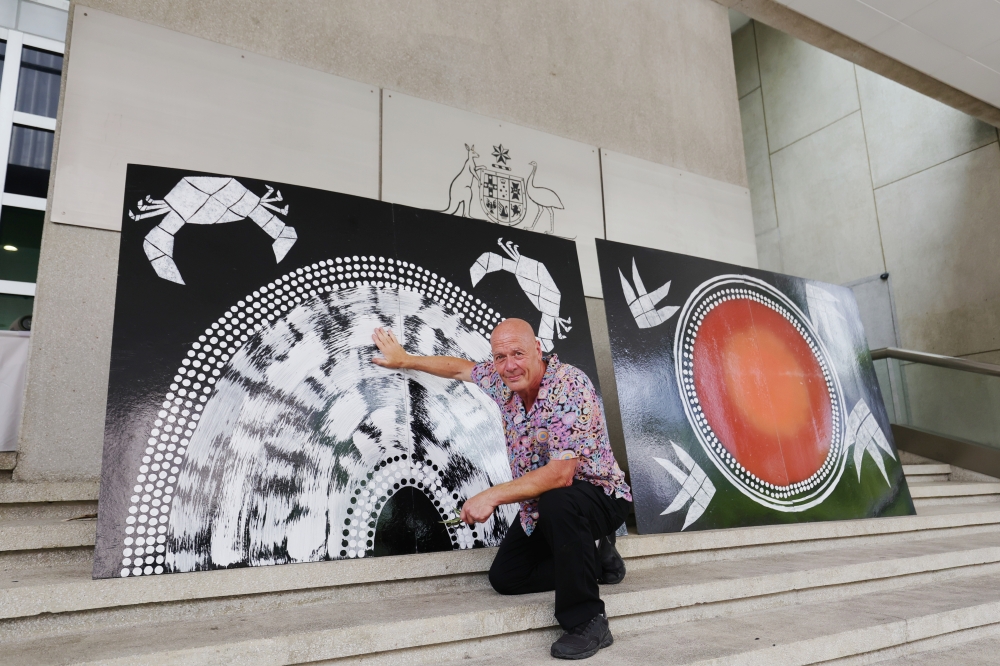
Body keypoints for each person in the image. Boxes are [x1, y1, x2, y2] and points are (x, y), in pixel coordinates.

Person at [372, 318, 632, 660]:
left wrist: (491, 495)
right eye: (499, 357)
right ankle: (596, 560)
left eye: (518, 354)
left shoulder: (569, 385)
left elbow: (560, 475)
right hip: (545, 505)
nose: (509, 365)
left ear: (537, 349)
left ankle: (588, 620)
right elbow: (459, 369)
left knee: (557, 500)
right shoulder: (502, 380)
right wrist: (405, 359)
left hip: (599, 496)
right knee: (508, 577)